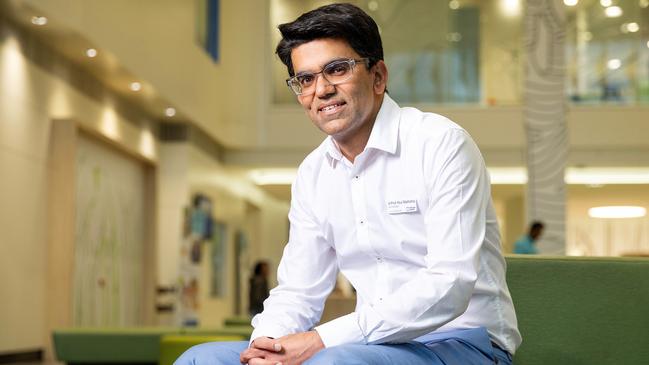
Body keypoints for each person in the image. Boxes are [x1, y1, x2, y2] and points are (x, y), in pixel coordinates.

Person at [175, 3, 520, 364]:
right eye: (305, 79)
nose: (321, 90)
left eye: (336, 69)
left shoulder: (440, 143)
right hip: (372, 347)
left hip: (462, 342)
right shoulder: (313, 173)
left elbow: (450, 283)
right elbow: (298, 290)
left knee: (332, 362)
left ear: (378, 76)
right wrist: (266, 346)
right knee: (202, 359)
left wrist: (322, 340)